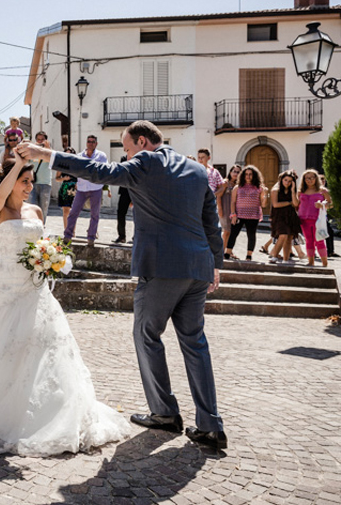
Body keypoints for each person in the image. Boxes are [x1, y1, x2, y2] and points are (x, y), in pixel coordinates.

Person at [17, 120, 227, 450]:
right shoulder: (197, 169)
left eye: (127, 149)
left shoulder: (145, 162)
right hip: (198, 267)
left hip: (162, 268)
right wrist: (216, 263)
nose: (126, 156)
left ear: (142, 142)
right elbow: (211, 223)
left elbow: (99, 171)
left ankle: (164, 413)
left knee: (146, 334)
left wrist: (47, 153)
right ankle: (211, 425)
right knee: (195, 342)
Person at [0, 155, 131, 456]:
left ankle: (45, 411)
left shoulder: (35, 210)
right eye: (24, 181)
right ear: (9, 181)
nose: (29, 187)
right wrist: (19, 163)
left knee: (44, 341)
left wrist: (50, 259)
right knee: (7, 340)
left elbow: (40, 244)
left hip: (35, 283)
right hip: (9, 282)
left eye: (31, 182)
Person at [65, 135, 108, 246]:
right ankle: (67, 235)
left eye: (93, 142)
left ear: (96, 143)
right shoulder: (80, 156)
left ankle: (91, 237)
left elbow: (104, 171)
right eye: (89, 141)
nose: (90, 143)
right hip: (82, 188)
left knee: (95, 214)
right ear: (86, 142)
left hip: (96, 188)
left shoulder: (101, 156)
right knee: (73, 212)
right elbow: (75, 170)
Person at [227, 165, 268, 261]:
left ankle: (249, 255)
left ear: (254, 176)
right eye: (246, 174)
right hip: (239, 215)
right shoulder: (237, 187)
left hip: (253, 215)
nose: (248, 176)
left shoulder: (259, 188)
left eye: (250, 174)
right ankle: (227, 253)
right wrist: (233, 214)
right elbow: (233, 202)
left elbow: (264, 204)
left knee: (251, 235)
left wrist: (265, 194)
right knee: (233, 234)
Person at [298, 169, 332, 267]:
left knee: (319, 240)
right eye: (307, 178)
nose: (310, 180)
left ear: (316, 179)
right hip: (304, 219)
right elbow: (297, 204)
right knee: (309, 241)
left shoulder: (322, 190)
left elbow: (330, 204)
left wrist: (322, 205)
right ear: (304, 179)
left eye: (312, 177)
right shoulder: (301, 191)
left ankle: (324, 263)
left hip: (318, 220)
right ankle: (310, 261)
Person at [268, 170, 301, 264]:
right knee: (283, 235)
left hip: (291, 216)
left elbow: (295, 204)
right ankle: (274, 256)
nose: (287, 182)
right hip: (279, 216)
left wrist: (293, 190)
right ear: (281, 179)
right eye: (285, 180)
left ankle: (286, 259)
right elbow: (275, 204)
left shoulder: (292, 190)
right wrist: (288, 203)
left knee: (289, 237)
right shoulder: (275, 190)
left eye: (290, 181)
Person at [215, 164, 241, 256]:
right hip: (225, 209)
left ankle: (228, 251)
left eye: (238, 172)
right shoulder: (225, 182)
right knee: (226, 231)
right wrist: (220, 209)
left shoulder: (239, 185)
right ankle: (220, 252)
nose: (236, 173)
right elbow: (218, 196)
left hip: (234, 211)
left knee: (231, 232)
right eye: (234, 171)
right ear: (230, 172)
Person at [27, 131, 52, 223]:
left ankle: (42, 228)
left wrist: (47, 148)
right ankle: (32, 228)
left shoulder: (50, 151)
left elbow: (52, 162)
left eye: (42, 140)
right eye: (38, 140)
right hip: (32, 183)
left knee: (43, 210)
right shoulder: (32, 151)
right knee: (31, 207)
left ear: (46, 140)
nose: (40, 141)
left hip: (45, 184)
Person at [56, 146, 78, 232]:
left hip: (75, 188)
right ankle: (66, 231)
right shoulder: (61, 166)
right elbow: (57, 178)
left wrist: (78, 184)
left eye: (70, 154)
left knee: (73, 212)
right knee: (65, 211)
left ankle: (73, 232)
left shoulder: (77, 165)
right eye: (66, 154)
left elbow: (81, 176)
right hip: (65, 188)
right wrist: (63, 179)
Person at [113, 156, 133, 244]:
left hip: (135, 190)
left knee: (138, 215)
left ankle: (137, 237)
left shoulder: (139, 158)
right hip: (124, 190)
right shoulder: (124, 159)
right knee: (120, 213)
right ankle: (121, 236)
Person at [320, 175, 337, 257]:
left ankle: (330, 251)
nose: (323, 182)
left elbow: (331, 204)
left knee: (329, 232)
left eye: (324, 181)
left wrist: (326, 205)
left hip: (324, 215)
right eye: (321, 180)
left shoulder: (325, 192)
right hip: (316, 216)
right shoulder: (315, 191)